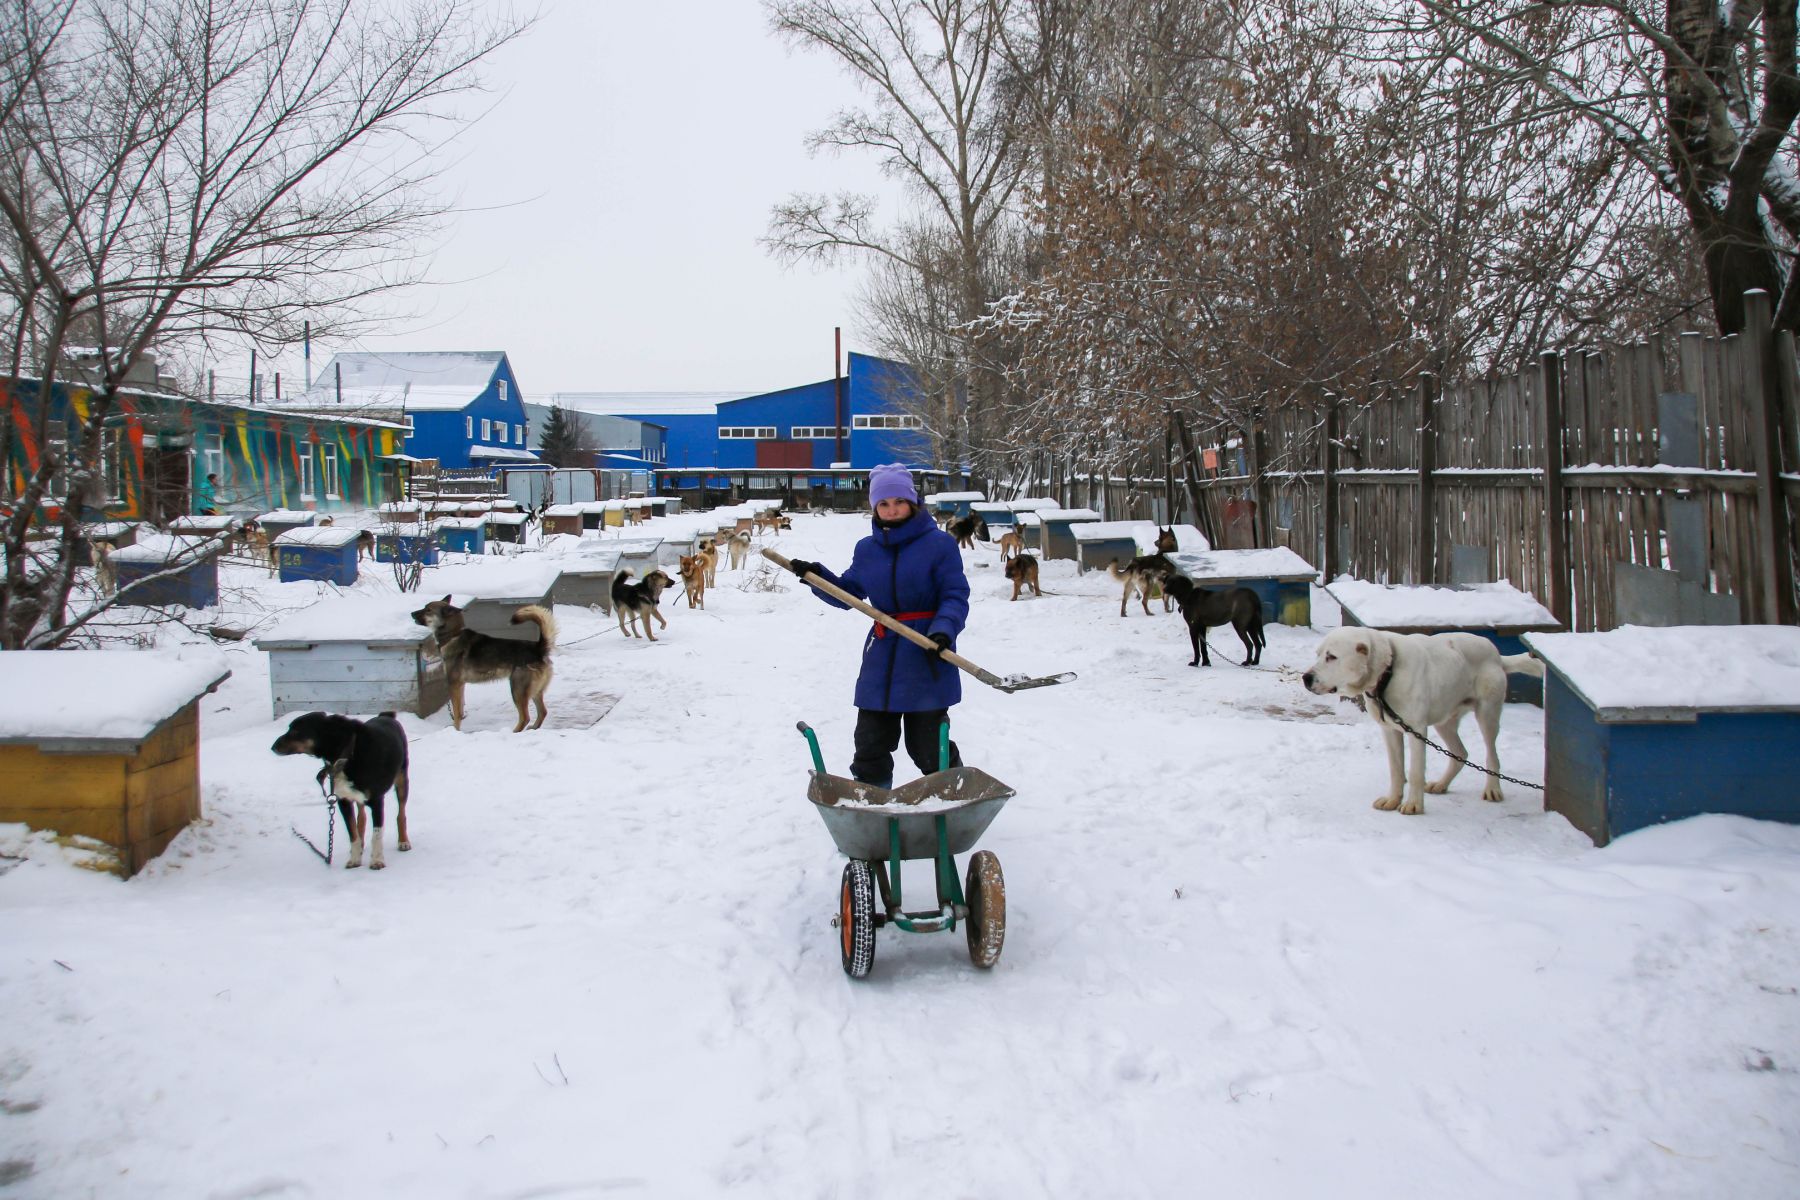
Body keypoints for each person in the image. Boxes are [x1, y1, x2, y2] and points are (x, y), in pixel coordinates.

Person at [787, 464, 970, 788]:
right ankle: (872, 805)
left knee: (927, 747)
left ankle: (955, 795)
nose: (891, 509)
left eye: (898, 501)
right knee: (870, 742)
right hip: (882, 657)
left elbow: (954, 595)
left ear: (912, 502)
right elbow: (848, 595)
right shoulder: (867, 549)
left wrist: (943, 630)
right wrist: (816, 575)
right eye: (883, 504)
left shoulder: (939, 545)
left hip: (926, 654)